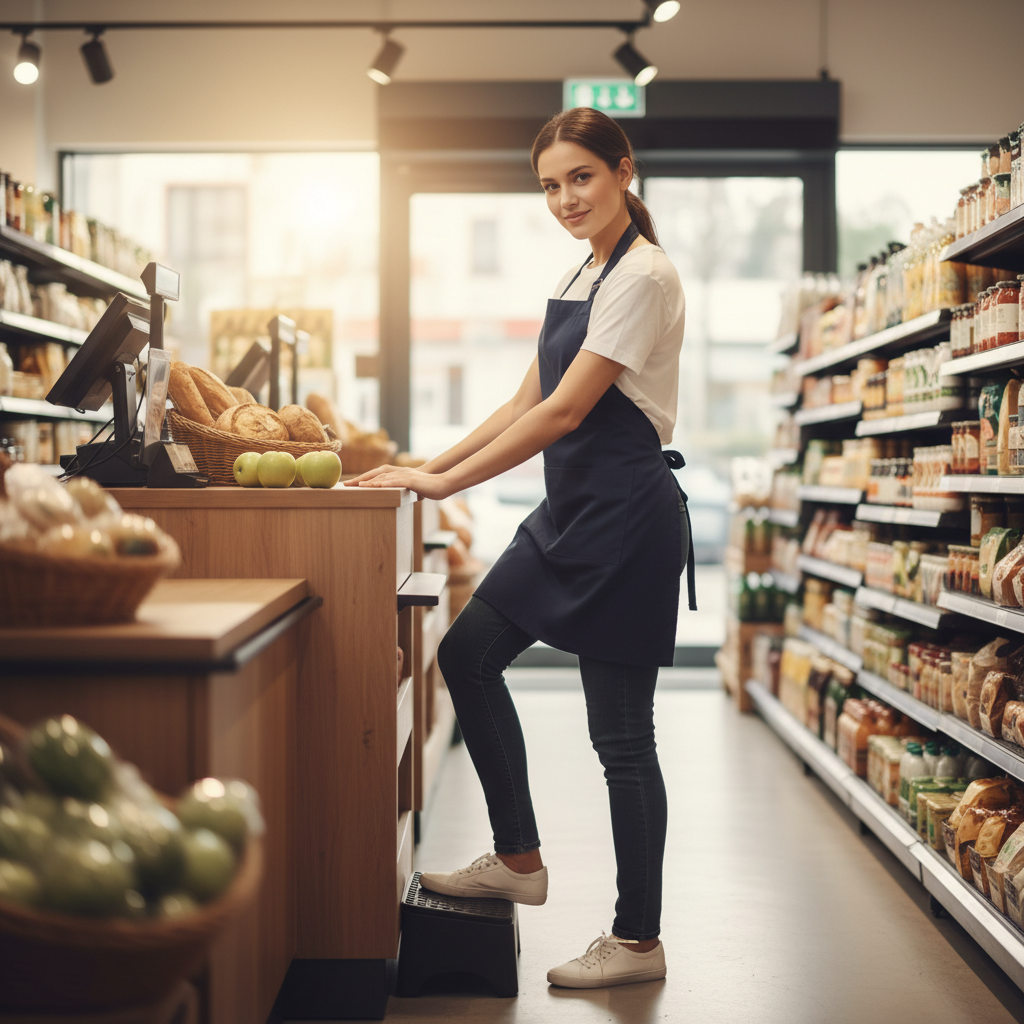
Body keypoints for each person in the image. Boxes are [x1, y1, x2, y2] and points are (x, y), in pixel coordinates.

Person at [346, 106, 694, 989]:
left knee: (620, 738)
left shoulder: (644, 276)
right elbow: (519, 404)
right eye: (549, 184)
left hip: (623, 516)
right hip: (572, 510)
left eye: (581, 176)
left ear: (623, 171)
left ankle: (638, 942)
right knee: (466, 656)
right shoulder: (585, 271)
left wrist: (440, 487)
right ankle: (518, 857)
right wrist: (422, 466)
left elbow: (567, 413)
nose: (565, 198)